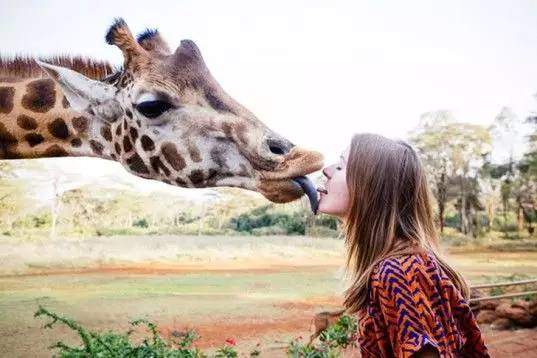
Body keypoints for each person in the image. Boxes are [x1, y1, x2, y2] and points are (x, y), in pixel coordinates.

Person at [317, 133, 489, 358]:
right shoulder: (404, 264)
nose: (326, 170)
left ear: (370, 187)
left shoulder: (398, 272)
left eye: (341, 166)